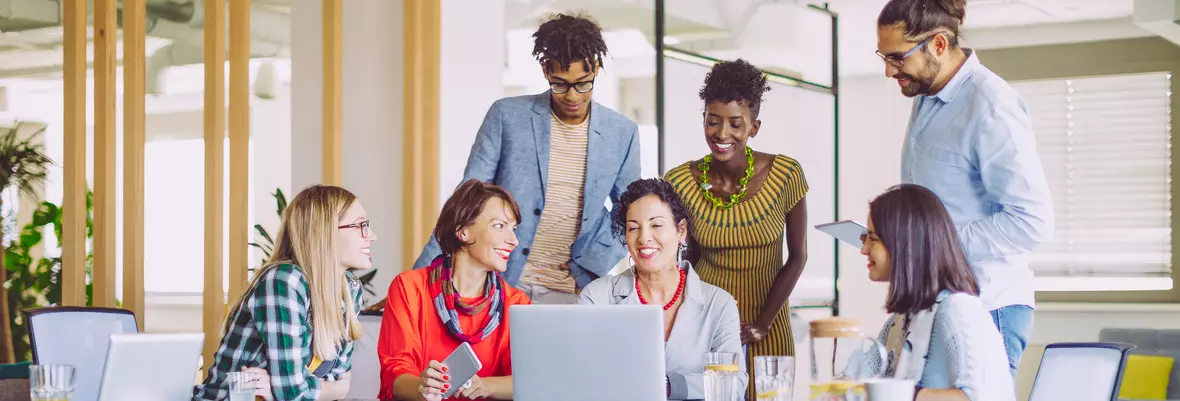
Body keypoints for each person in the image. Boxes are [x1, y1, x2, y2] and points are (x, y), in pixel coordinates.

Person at [876, 0, 1054, 377]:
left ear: (938, 45)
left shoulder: (990, 106)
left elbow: (1031, 221)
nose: (889, 71)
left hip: (988, 305)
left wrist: (932, 245)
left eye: (898, 58)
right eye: (884, 56)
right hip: (936, 303)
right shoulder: (926, 94)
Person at [411, 13, 641, 304]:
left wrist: (594, 263)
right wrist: (418, 280)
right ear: (545, 70)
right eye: (560, 84)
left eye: (583, 83)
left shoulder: (622, 132)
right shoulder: (507, 116)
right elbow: (466, 199)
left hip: (573, 288)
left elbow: (632, 211)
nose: (572, 96)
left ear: (596, 68)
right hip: (500, 282)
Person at [663, 59, 809, 370]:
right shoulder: (679, 181)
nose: (722, 133)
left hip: (769, 327)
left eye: (735, 123)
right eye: (713, 120)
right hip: (706, 325)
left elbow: (797, 257)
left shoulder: (785, 174)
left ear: (753, 128)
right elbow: (687, 257)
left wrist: (763, 323)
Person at [193, 185, 371, 401]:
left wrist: (284, 390)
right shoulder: (285, 280)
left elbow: (338, 385)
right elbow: (296, 393)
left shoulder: (350, 290)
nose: (372, 236)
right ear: (325, 231)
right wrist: (296, 390)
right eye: (361, 225)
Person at [579, 178, 744, 400]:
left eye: (656, 225)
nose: (644, 238)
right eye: (633, 228)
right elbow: (581, 374)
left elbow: (733, 385)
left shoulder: (719, 304)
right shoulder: (597, 297)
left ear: (681, 230)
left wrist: (666, 385)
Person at [856, 184, 1014, 401]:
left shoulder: (958, 311)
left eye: (873, 238)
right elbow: (858, 381)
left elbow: (982, 396)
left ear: (905, 243)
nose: (864, 249)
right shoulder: (900, 321)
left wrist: (903, 395)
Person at [379, 179, 532, 401]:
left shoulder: (517, 303)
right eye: (499, 225)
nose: (513, 240)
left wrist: (486, 385)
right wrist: (423, 387)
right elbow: (395, 374)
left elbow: (529, 378)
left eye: (513, 228)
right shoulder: (409, 288)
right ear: (462, 231)